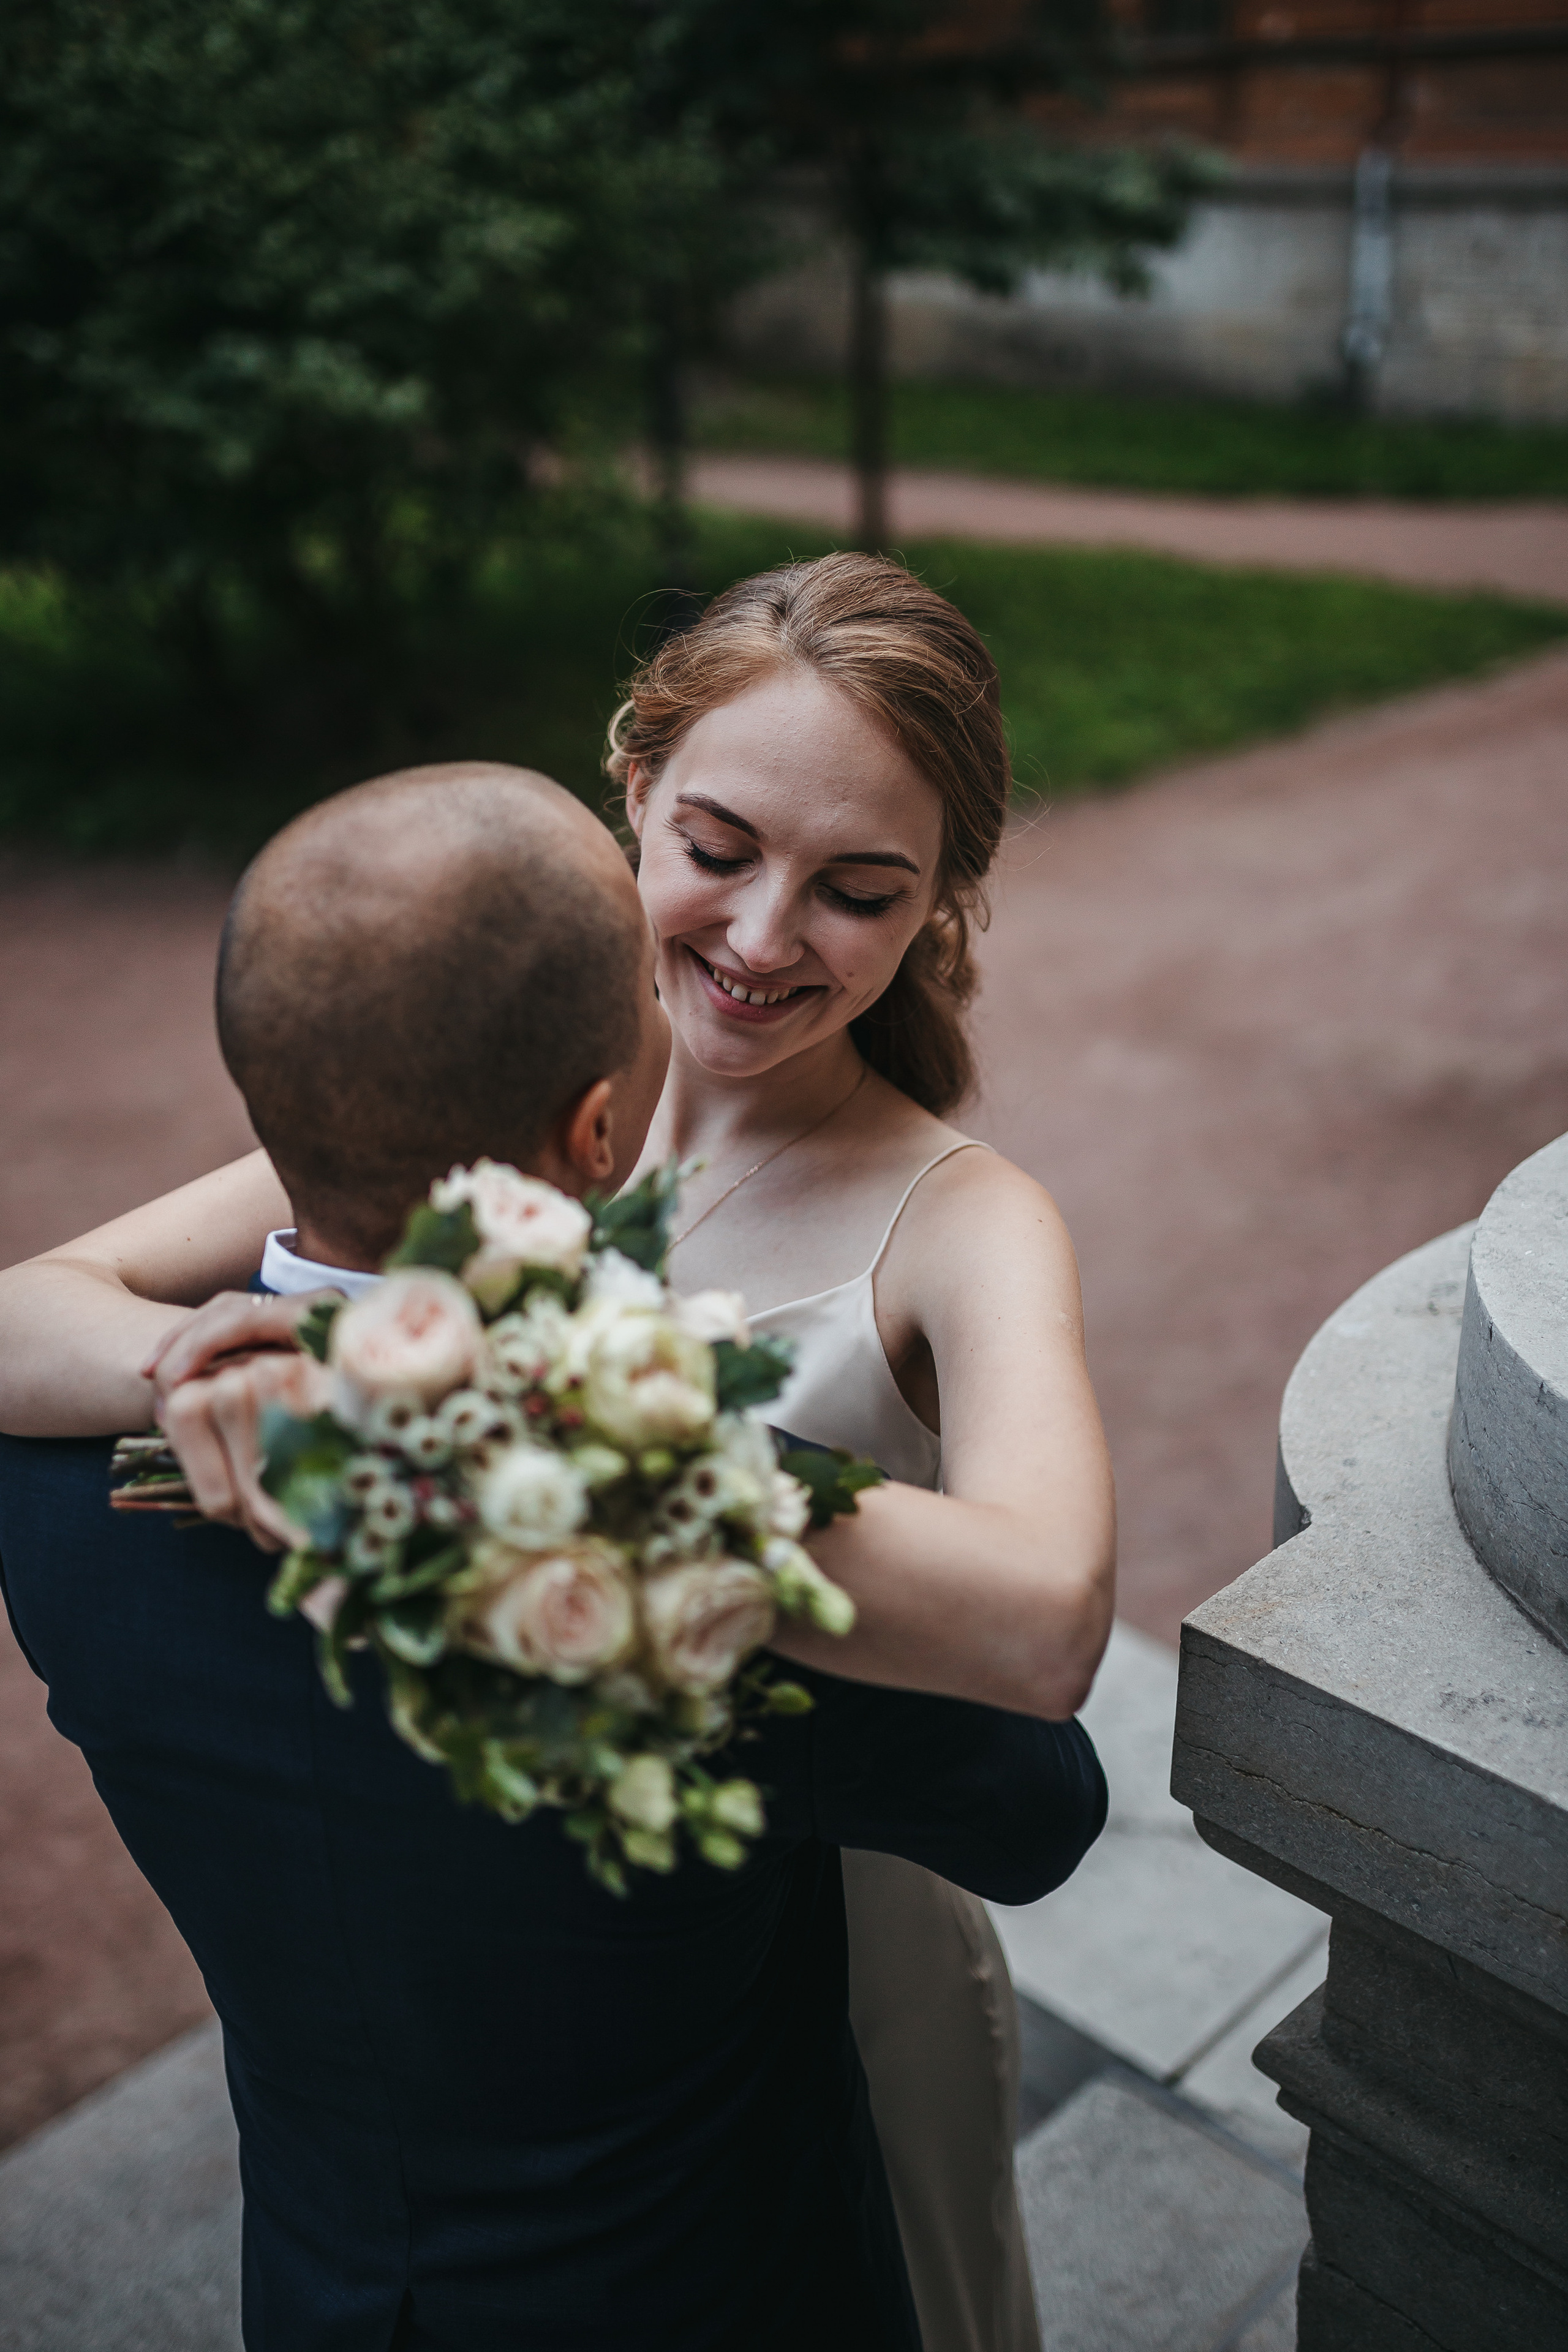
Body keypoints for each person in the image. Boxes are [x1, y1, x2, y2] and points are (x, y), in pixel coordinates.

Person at [0, 554, 1117, 2352]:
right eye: (717, 849)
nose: (764, 938)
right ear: (635, 791)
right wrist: (280, 1371)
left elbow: (1049, 1620)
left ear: (939, 904)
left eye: (857, 891)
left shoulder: (969, 1221)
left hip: (838, 1917)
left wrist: (541, 1442)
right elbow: (20, 1315)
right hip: (487, 1955)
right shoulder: (480, 1087)